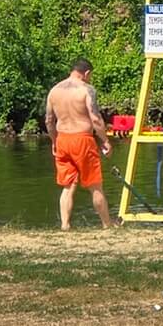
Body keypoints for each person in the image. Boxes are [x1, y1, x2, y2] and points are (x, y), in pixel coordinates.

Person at [45, 59, 114, 229]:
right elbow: (95, 119)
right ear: (87, 73)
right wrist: (105, 141)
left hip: (62, 139)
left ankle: (65, 225)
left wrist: (54, 141)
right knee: (95, 185)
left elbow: (49, 121)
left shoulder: (54, 90)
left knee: (68, 186)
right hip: (82, 139)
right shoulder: (86, 90)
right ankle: (107, 224)